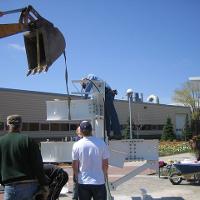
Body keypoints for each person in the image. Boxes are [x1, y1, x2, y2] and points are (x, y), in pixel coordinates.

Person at [0, 114, 49, 200]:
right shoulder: (28, 140)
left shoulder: (1, 142)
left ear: (7, 125)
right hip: (29, 185)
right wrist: (43, 184)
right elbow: (37, 164)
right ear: (21, 125)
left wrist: (3, 182)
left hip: (10, 185)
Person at [72, 120, 110, 200]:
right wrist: (104, 175)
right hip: (98, 181)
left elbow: (75, 165)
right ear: (91, 130)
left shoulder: (76, 145)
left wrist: (77, 176)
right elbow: (105, 164)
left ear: (81, 131)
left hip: (83, 182)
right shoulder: (101, 143)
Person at [81, 74, 122, 140]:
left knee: (112, 114)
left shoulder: (90, 76)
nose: (85, 87)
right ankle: (108, 135)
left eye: (85, 85)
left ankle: (117, 133)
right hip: (105, 95)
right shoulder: (94, 84)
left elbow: (89, 86)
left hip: (107, 93)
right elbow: (92, 93)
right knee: (106, 116)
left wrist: (84, 98)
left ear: (85, 81)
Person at [72, 126, 83, 200]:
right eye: (79, 132)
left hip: (82, 166)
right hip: (78, 165)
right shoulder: (76, 140)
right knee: (76, 184)